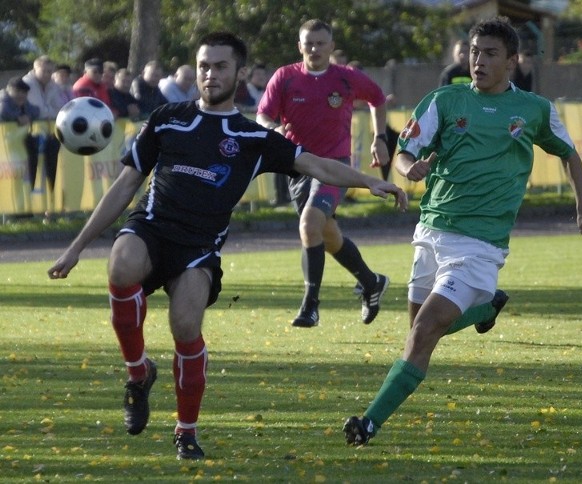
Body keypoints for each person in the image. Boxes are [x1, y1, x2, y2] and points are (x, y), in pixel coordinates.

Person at [47, 31, 407, 461]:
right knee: (121, 265)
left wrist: (369, 180)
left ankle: (186, 432)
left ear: (238, 73)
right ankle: (138, 374)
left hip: (198, 249)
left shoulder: (253, 139)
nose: (209, 74)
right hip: (151, 228)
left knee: (185, 327)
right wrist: (76, 248)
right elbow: (125, 185)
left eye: (220, 66)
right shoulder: (166, 118)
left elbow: (314, 163)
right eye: (203, 65)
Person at [343, 16, 582, 447]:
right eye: (473, 51)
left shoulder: (535, 109)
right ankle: (485, 310)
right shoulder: (443, 101)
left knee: (425, 330)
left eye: (489, 54)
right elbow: (404, 156)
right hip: (430, 232)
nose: (478, 61)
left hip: (480, 245)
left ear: (512, 61)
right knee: (417, 335)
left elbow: (569, 154)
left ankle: (367, 423)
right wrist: (413, 169)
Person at [257, 19, 391, 328]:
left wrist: (379, 137)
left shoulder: (346, 78)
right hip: (298, 166)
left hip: (335, 166)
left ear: (331, 46)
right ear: (299, 46)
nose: (315, 48)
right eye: (309, 43)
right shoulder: (285, 77)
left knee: (309, 224)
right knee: (326, 234)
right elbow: (263, 114)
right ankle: (371, 282)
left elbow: (378, 99)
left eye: (321, 43)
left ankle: (310, 306)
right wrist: (271, 128)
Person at [22, 55, 64, 191]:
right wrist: (48, 111)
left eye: (50, 71)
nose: (47, 74)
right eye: (44, 70)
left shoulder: (54, 86)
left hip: (49, 134)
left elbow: (60, 110)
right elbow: (36, 110)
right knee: (30, 168)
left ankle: (49, 203)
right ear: (35, 69)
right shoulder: (26, 85)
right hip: (28, 134)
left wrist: (46, 111)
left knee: (50, 168)